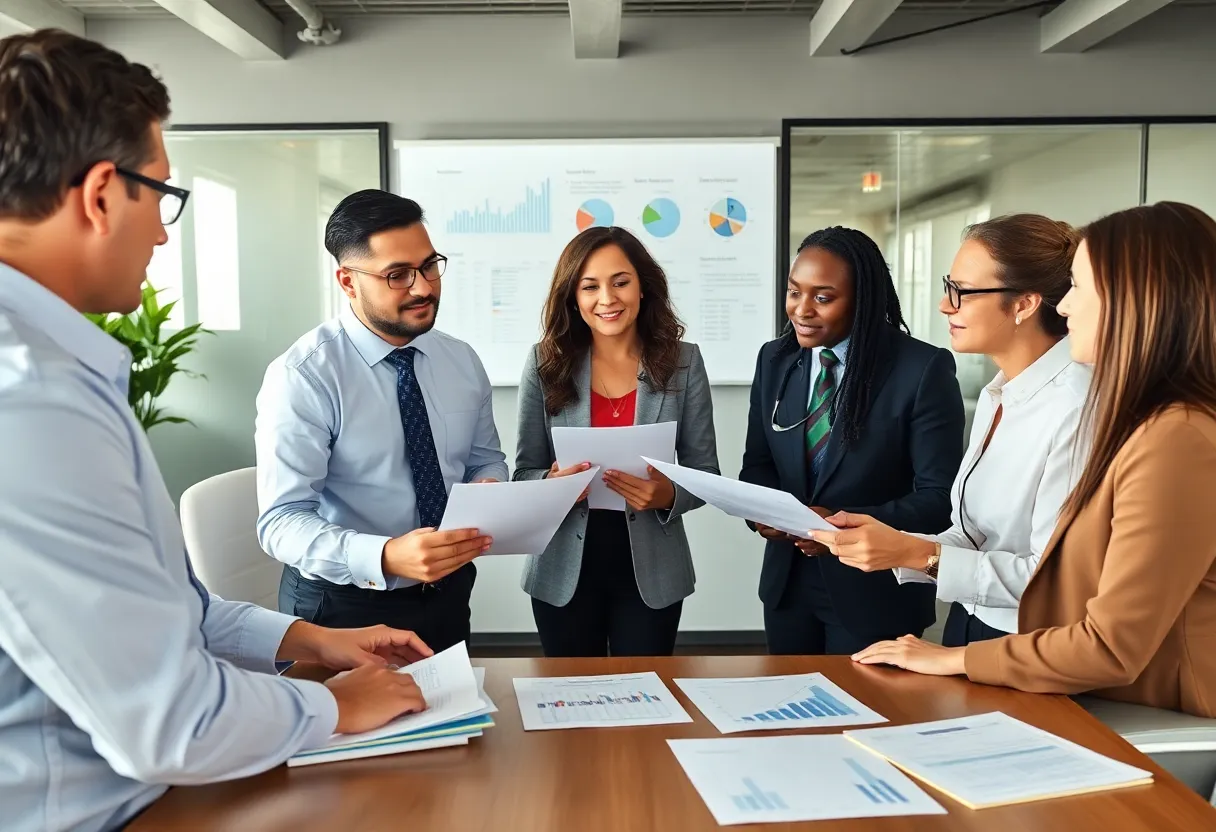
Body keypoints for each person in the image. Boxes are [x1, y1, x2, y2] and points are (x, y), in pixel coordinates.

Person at [0, 30, 433, 832]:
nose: (165, 234)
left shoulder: (47, 373)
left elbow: (170, 609)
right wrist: (327, 705)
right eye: (160, 195)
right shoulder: (29, 402)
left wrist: (312, 640)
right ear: (101, 193)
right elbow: (174, 724)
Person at [851, 201, 1216, 717]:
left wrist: (954, 657)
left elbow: (1107, 642)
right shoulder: (1142, 420)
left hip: (1155, 718)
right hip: (1078, 681)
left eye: (1080, 289)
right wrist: (905, 549)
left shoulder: (1176, 437)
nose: (1063, 308)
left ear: (1138, 302)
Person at [813, 215, 1091, 647]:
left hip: (1035, 640)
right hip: (970, 619)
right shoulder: (999, 393)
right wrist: (890, 542)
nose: (946, 305)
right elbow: (970, 534)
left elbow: (1051, 578)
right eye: (948, 286)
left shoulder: (1074, 407)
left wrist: (914, 553)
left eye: (962, 291)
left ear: (1024, 305)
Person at [255, 190, 508, 652]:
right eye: (398, 275)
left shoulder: (461, 360)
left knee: (453, 720)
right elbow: (281, 521)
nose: (424, 287)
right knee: (355, 726)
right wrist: (387, 556)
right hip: (342, 606)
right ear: (348, 282)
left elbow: (484, 461)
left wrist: (488, 489)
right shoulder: (304, 376)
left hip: (448, 593)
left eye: (430, 266)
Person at [740, 226, 965, 656]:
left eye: (823, 297)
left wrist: (837, 523)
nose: (802, 310)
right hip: (789, 586)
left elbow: (939, 498)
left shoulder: (920, 369)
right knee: (790, 713)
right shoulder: (775, 359)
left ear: (863, 300)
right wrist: (765, 513)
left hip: (876, 590)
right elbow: (758, 464)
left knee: (870, 719)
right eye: (794, 292)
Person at [514, 227, 719, 656]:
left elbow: (705, 474)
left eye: (620, 282)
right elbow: (524, 472)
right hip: (562, 570)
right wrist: (550, 485)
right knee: (569, 703)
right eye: (590, 287)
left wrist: (667, 494)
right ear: (573, 297)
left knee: (647, 701)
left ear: (643, 286)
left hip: (652, 572)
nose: (607, 299)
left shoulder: (684, 363)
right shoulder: (543, 363)